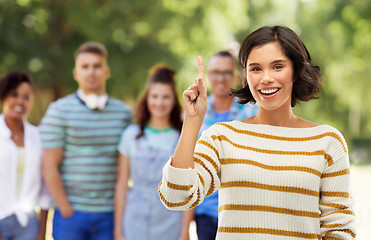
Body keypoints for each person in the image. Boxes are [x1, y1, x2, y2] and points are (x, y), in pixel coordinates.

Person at [158, 26, 355, 239]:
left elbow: (339, 229)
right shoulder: (222, 137)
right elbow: (175, 196)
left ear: (297, 71)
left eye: (277, 67)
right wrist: (193, 120)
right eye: (256, 68)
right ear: (245, 76)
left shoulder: (327, 142)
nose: (266, 78)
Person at [39, 42, 132, 240]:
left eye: (97, 66)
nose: (91, 72)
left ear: (106, 71)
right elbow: (49, 166)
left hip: (110, 215)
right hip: (71, 214)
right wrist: (65, 208)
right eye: (85, 66)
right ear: (76, 73)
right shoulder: (58, 111)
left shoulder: (123, 114)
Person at [114, 66, 193, 240]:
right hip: (134, 221)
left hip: (171, 223)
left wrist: (184, 232)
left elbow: (188, 189)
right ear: (147, 99)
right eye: (155, 96)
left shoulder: (182, 138)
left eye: (166, 97)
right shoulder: (130, 135)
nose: (160, 102)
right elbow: (121, 185)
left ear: (174, 101)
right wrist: (118, 231)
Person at [193, 51, 258, 240]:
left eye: (227, 73)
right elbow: (189, 166)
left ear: (237, 77)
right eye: (215, 72)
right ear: (208, 76)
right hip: (205, 213)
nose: (221, 78)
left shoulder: (253, 112)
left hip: (244, 212)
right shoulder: (195, 113)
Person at [0, 72, 50, 240]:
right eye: (14, 95)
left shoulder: (38, 136)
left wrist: (42, 231)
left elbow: (45, 187)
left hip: (28, 224)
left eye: (26, 97)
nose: (20, 101)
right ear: (3, 97)